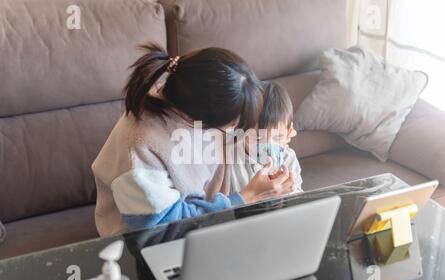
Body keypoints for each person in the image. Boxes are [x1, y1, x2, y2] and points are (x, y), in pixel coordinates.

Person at [92, 43, 294, 236]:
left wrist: (275, 142)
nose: (235, 133)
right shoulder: (139, 151)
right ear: (195, 119)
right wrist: (247, 196)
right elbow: (163, 230)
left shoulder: (184, 93)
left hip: (209, 220)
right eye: (231, 125)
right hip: (151, 241)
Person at [229, 81, 303, 194]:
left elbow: (300, 200)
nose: (267, 148)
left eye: (278, 137)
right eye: (258, 138)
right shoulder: (230, 163)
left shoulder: (288, 158)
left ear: (288, 134)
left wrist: (286, 193)